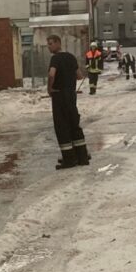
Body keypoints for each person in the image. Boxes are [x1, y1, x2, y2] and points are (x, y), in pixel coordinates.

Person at [46, 35, 90, 170]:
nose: (49, 46)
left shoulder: (55, 58)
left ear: (58, 43)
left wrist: (50, 88)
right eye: (48, 44)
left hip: (59, 96)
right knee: (74, 125)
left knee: (62, 127)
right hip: (71, 96)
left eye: (51, 44)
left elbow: (51, 74)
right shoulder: (71, 57)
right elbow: (79, 75)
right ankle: (82, 157)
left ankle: (69, 159)